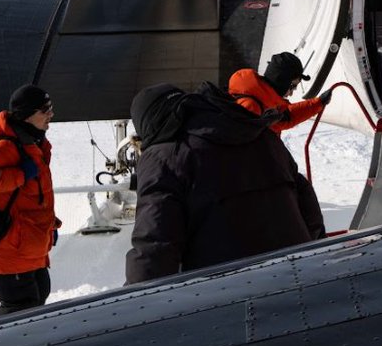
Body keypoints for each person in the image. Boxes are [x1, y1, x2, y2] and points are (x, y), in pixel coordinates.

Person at [124, 81, 322, 285]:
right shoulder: (259, 132)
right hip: (301, 277)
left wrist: (131, 304)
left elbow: (155, 249)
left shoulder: (162, 158)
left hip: (229, 295)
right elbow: (309, 208)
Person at [0, 83, 61, 316]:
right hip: (9, 248)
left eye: (51, 107)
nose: (51, 114)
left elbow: (32, 197)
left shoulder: (32, 143)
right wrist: (20, 175)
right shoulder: (7, 146)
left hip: (29, 244)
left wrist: (49, 224)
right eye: (44, 110)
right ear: (27, 115)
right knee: (19, 308)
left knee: (37, 297)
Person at [228, 54, 331, 240]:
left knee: (302, 193)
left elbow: (286, 118)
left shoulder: (264, 100)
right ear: (281, 81)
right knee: (297, 199)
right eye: (292, 86)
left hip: (265, 172)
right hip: (253, 180)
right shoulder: (250, 106)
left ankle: (311, 241)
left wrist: (318, 103)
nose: (291, 93)